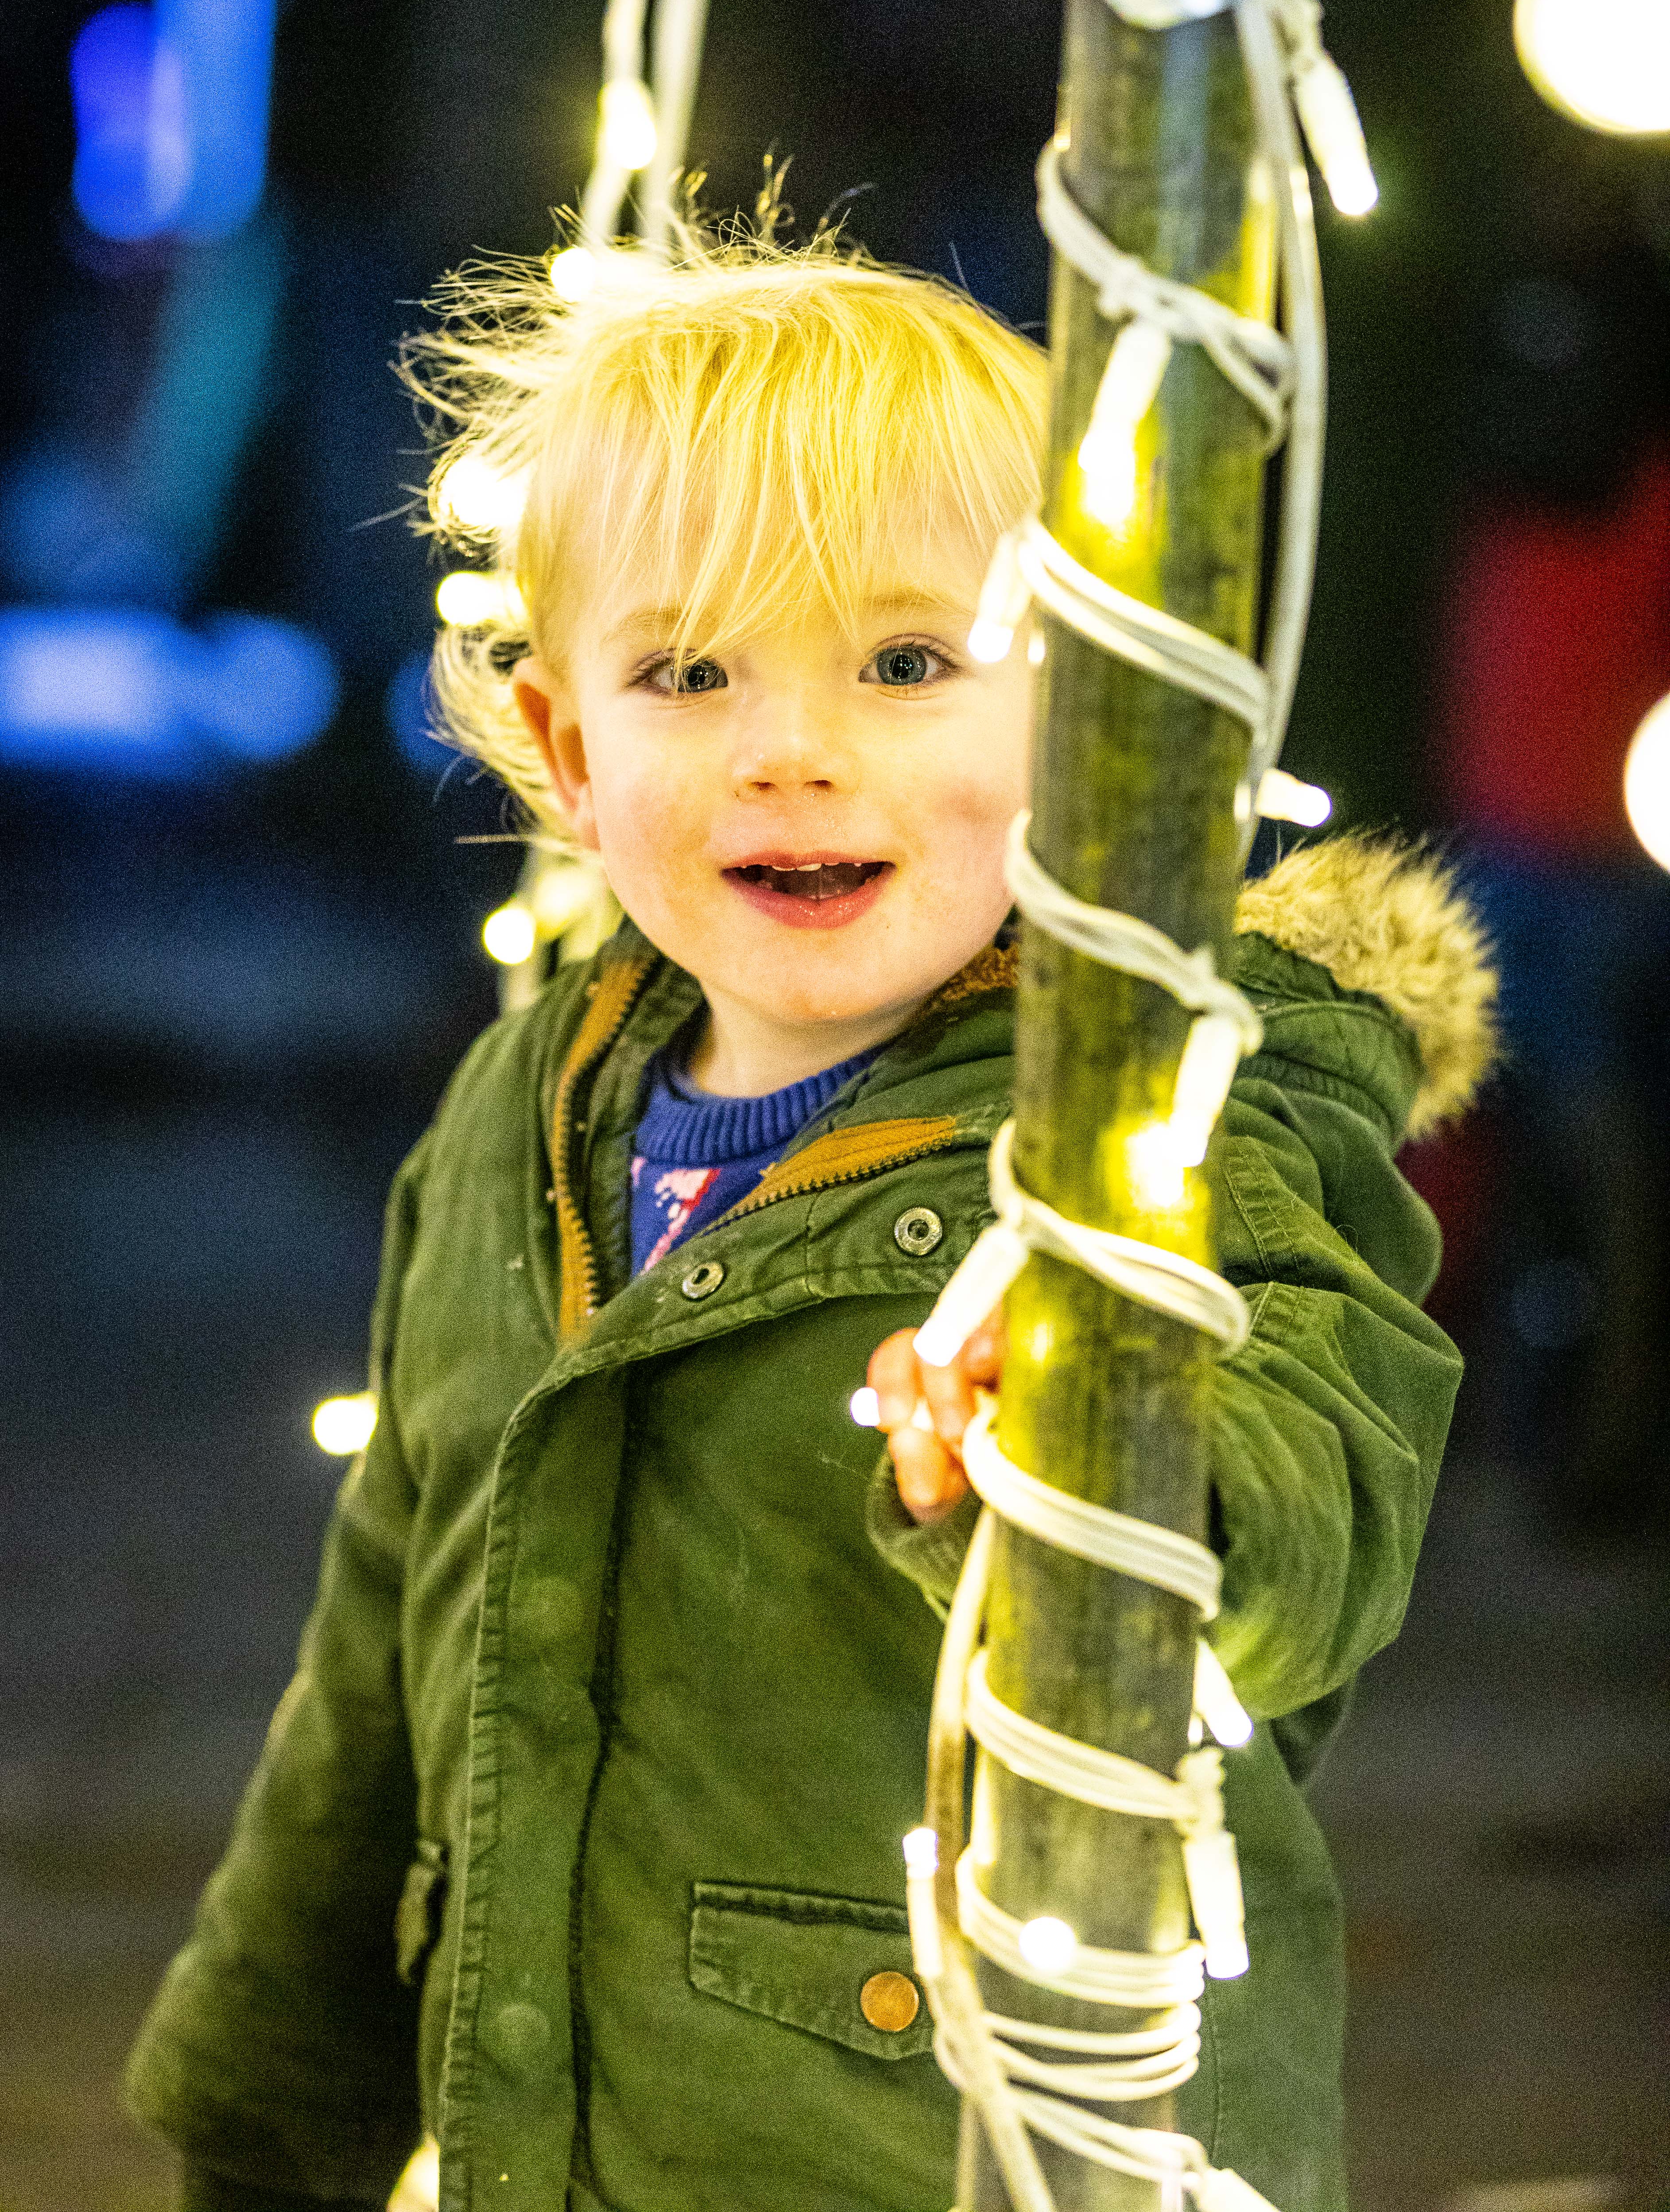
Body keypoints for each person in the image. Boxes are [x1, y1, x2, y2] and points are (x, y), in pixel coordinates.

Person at [127, 239, 1496, 2212]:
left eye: (909, 661)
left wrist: (1104, 1451)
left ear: (1092, 719)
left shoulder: (1171, 1117)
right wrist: (264, 2110)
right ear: (570, 748)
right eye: (692, 670)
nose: (794, 745)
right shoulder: (522, 1118)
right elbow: (375, 1676)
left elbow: (1314, 1527)